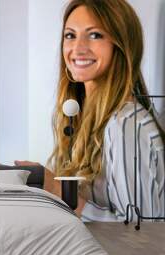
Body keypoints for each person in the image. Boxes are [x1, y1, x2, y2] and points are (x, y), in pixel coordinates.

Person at [16, 0, 164, 221]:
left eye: (95, 35)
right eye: (70, 35)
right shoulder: (85, 118)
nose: (78, 48)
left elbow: (142, 237)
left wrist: (57, 190)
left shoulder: (125, 125)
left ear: (122, 44)